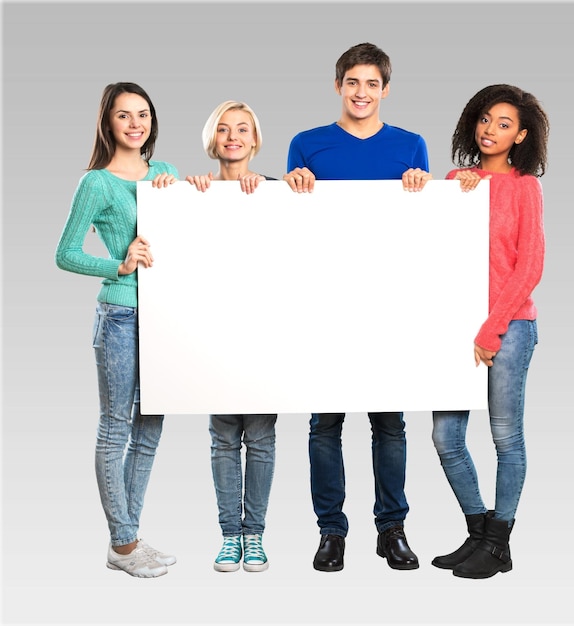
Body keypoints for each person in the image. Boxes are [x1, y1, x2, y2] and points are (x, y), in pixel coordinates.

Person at [283, 42, 431, 572]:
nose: (362, 92)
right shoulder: (307, 143)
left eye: (372, 84)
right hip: (324, 302)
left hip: (387, 304)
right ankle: (331, 533)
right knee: (326, 423)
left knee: (389, 423)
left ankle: (392, 529)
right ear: (338, 86)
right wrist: (292, 184)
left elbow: (423, 232)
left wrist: (420, 188)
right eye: (353, 82)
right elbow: (288, 230)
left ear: (385, 89)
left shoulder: (411, 145)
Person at [55, 82, 179, 578]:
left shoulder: (165, 173)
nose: (135, 124)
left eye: (143, 114)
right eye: (124, 115)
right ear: (108, 122)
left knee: (151, 428)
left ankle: (127, 536)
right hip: (122, 316)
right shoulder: (97, 184)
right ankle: (124, 545)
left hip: (167, 317)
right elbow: (65, 253)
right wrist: (119, 265)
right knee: (115, 428)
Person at [430, 84, 549, 579]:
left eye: (503, 124)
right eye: (485, 119)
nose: (490, 129)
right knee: (445, 436)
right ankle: (478, 531)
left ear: (520, 135)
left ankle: (500, 543)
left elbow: (529, 266)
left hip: (511, 327)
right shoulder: (458, 181)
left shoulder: (525, 186)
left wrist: (492, 328)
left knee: (505, 435)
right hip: (458, 329)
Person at [186, 101, 277, 573]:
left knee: (260, 438)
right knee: (223, 439)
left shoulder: (274, 191)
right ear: (213, 139)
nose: (233, 136)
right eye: (223, 129)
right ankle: (229, 535)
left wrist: (274, 191)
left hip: (264, 336)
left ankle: (255, 535)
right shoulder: (193, 193)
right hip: (213, 337)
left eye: (242, 129)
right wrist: (184, 193)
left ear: (255, 139)